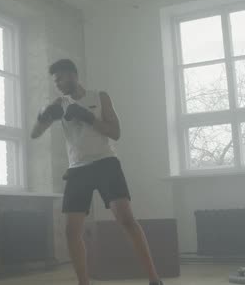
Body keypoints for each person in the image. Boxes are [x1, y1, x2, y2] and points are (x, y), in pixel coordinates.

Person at [31, 59, 163, 285]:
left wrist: (89, 117)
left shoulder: (100, 96)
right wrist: (43, 114)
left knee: (126, 220)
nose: (58, 85)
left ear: (73, 75)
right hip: (77, 169)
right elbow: (35, 134)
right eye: (55, 82)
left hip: (105, 163)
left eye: (60, 79)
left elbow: (115, 133)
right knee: (71, 231)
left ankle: (154, 280)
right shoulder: (59, 104)